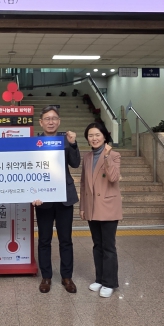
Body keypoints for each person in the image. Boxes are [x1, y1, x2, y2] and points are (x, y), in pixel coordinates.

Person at [33, 106, 81, 294]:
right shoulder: (34, 143)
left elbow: (75, 164)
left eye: (54, 118)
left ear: (59, 121)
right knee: (44, 240)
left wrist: (74, 144)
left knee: (65, 240)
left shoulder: (66, 141)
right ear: (41, 122)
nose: (51, 121)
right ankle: (46, 277)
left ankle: (67, 277)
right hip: (43, 198)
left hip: (64, 197)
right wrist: (32, 193)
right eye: (47, 118)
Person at [80, 122, 122, 299]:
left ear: (104, 136)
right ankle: (99, 278)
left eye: (97, 135)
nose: (94, 138)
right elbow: (83, 184)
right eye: (90, 135)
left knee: (108, 247)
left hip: (108, 207)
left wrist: (106, 156)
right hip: (91, 207)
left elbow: (113, 177)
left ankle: (109, 282)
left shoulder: (114, 155)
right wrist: (83, 207)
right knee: (97, 245)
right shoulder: (87, 157)